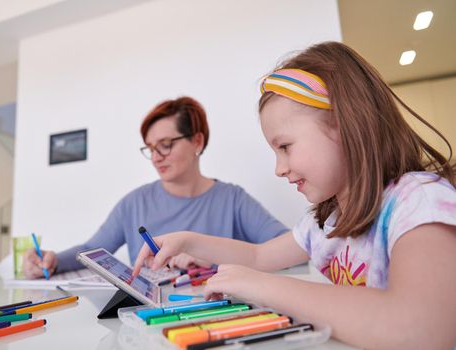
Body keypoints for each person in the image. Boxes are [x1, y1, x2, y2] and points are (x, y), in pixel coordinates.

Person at [133, 42, 456, 349]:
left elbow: (420, 329)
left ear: (344, 124)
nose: (279, 168)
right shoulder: (326, 222)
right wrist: (188, 240)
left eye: (285, 147)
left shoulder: (419, 201)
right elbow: (259, 256)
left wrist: (262, 286)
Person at [23, 96, 288, 279]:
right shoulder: (134, 203)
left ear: (197, 142)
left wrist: (213, 263)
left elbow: (292, 249)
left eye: (165, 144)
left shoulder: (232, 200)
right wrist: (52, 260)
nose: (156, 156)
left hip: (217, 320)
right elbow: (93, 250)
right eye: (150, 148)